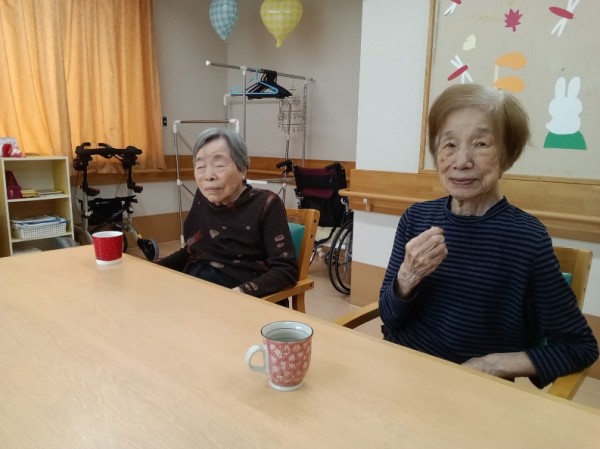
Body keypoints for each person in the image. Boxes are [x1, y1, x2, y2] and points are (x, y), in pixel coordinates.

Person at [379, 83, 598, 388]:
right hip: (402, 370)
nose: (461, 161)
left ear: (507, 154)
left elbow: (579, 346)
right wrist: (408, 276)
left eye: (481, 144)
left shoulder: (527, 238)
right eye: (449, 145)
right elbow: (390, 318)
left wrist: (493, 364)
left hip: (472, 389)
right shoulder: (416, 218)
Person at [157, 128, 298, 298]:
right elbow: (192, 251)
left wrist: (237, 294)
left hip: (242, 294)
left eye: (219, 165)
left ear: (243, 169)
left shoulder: (266, 204)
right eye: (200, 166)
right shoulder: (202, 197)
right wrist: (154, 269)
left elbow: (286, 270)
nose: (208, 176)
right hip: (197, 286)